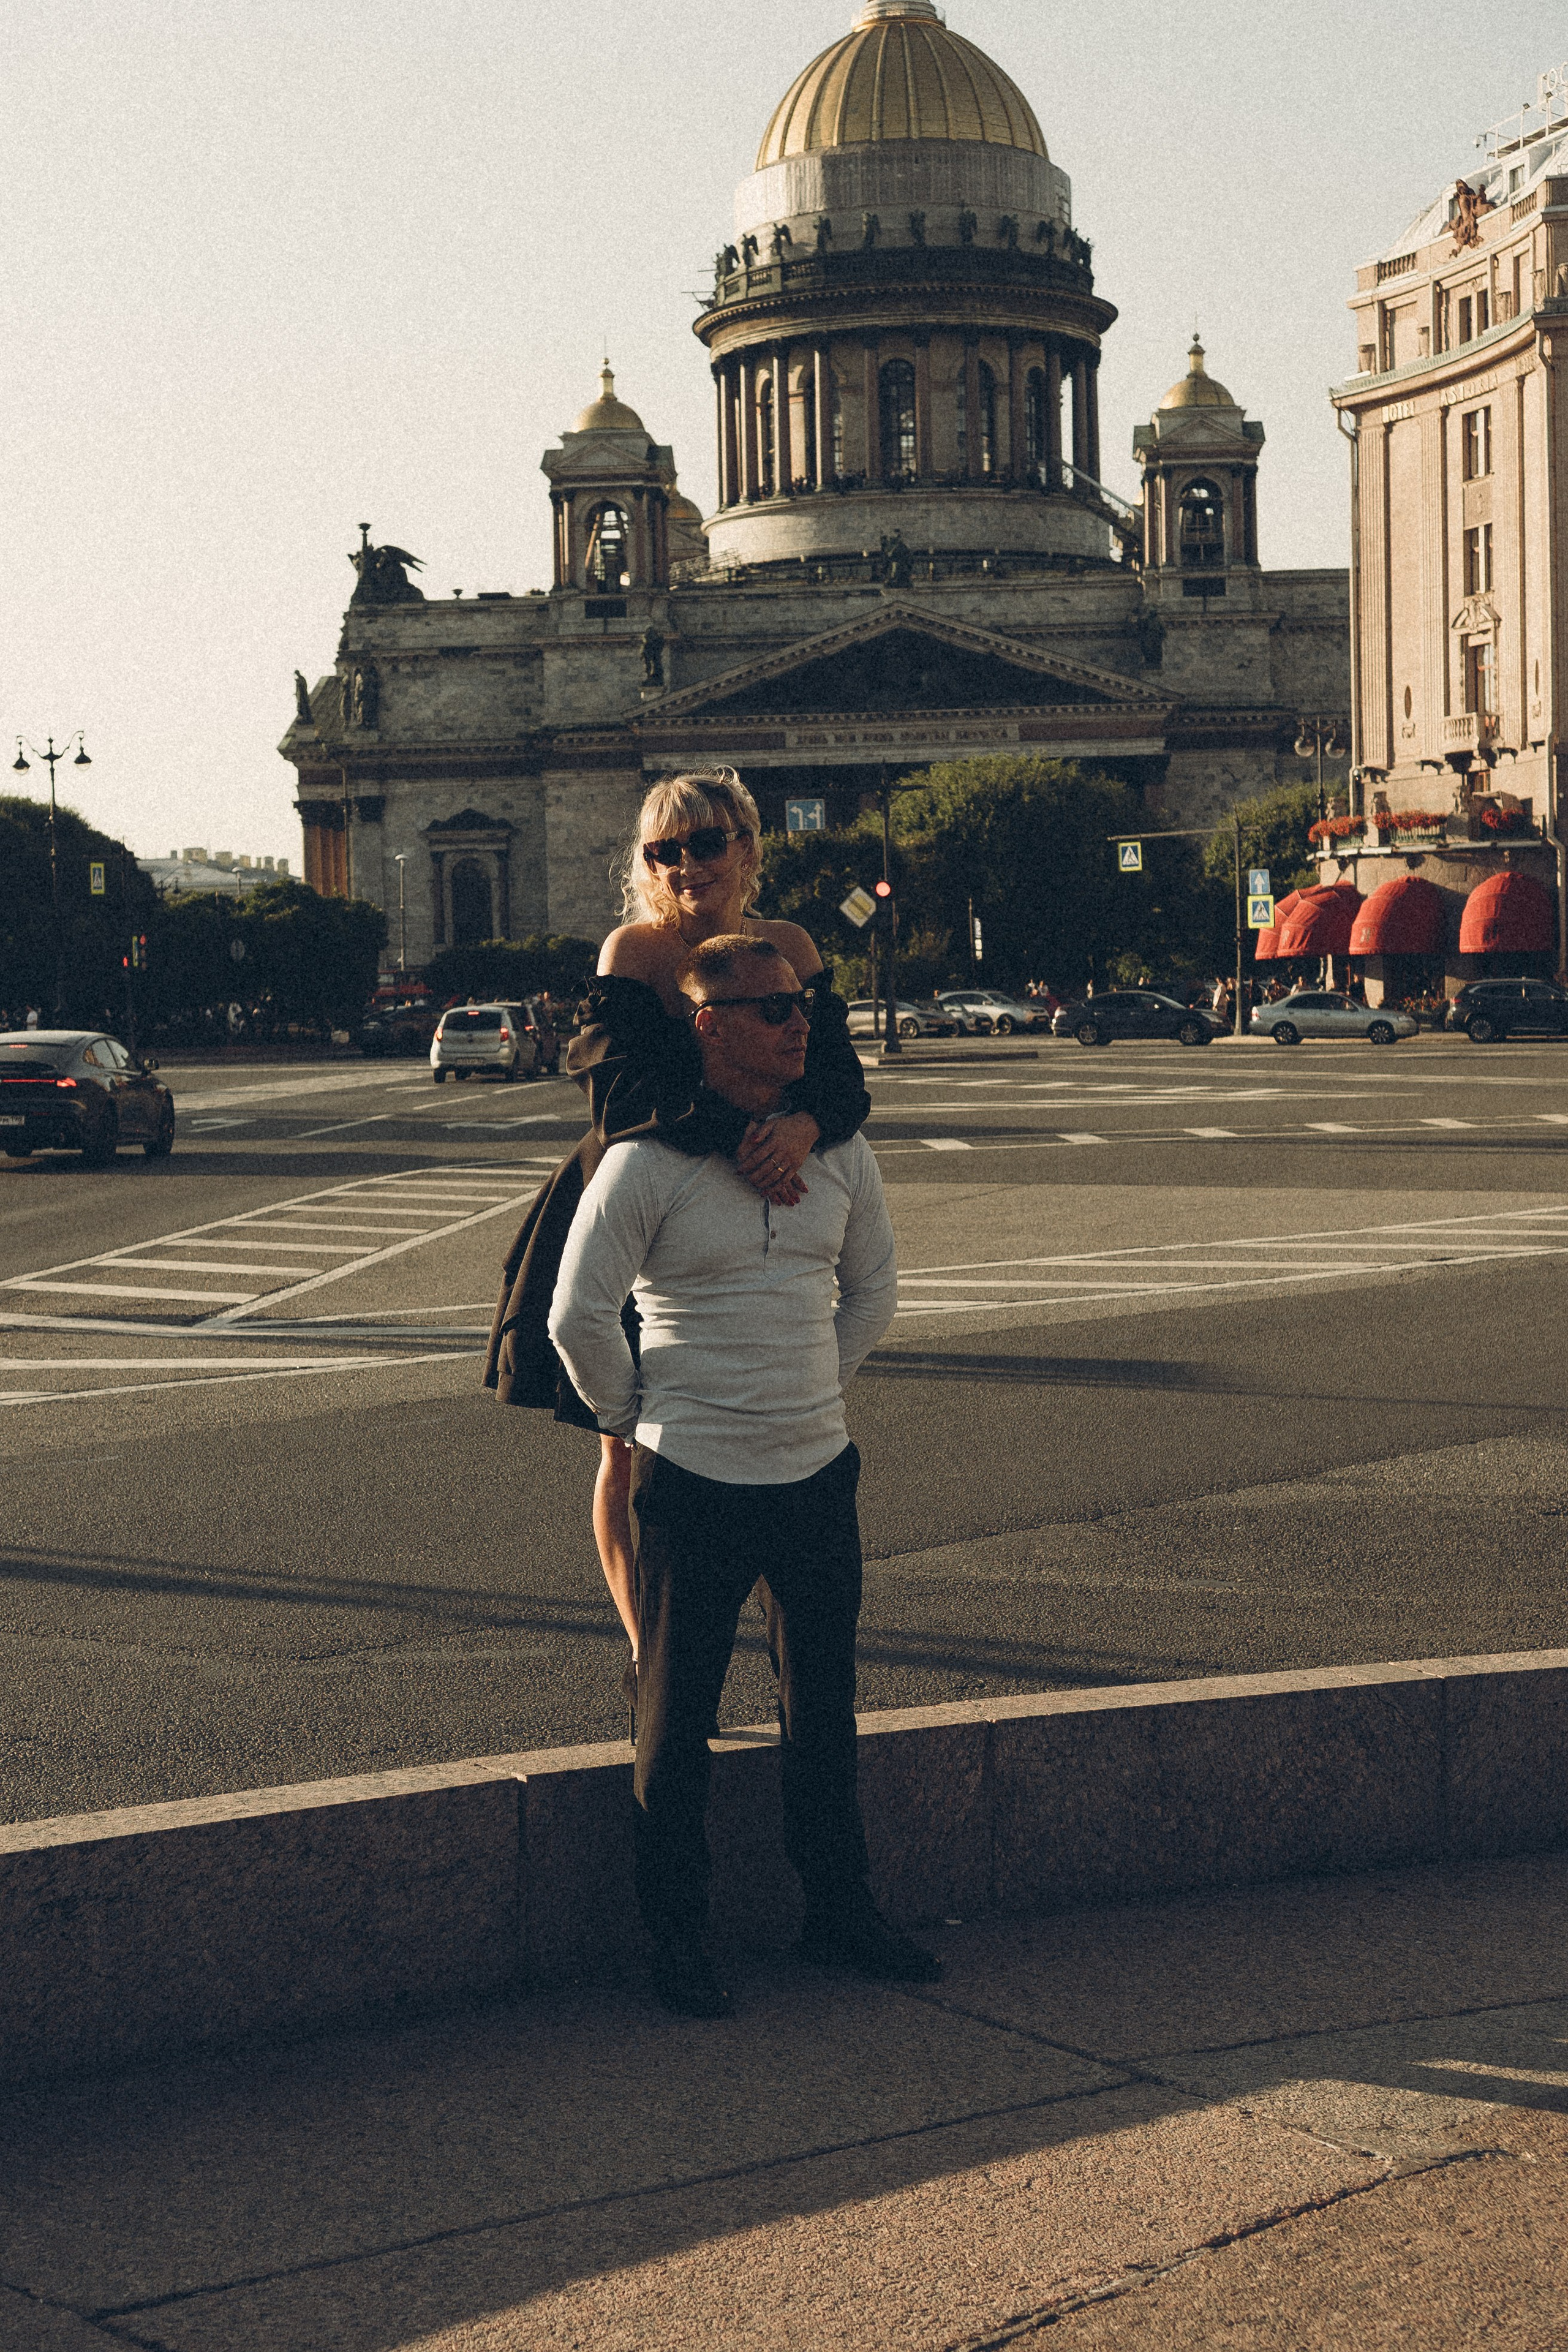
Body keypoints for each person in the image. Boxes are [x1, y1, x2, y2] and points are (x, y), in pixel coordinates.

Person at [549, 933, 936, 2017]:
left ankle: (840, 1912)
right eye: (771, 1010)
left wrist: (814, 1389)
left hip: (817, 1467)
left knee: (826, 1708)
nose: (800, 1021)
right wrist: (636, 1417)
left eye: (803, 1003)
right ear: (706, 1027)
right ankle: (678, 1939)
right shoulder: (647, 1159)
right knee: (678, 1718)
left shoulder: (837, 1150)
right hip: (693, 1473)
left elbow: (876, 1290)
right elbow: (577, 1313)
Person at [483, 772, 870, 1732]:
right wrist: (752, 1138)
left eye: (706, 842)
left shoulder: (791, 950)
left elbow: (845, 1081)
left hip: (763, 1185)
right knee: (629, 1446)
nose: (688, 864)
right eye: (665, 850)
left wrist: (807, 1123)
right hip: (634, 1199)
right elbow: (617, 1096)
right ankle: (644, 1647)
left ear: (747, 844)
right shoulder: (635, 950)